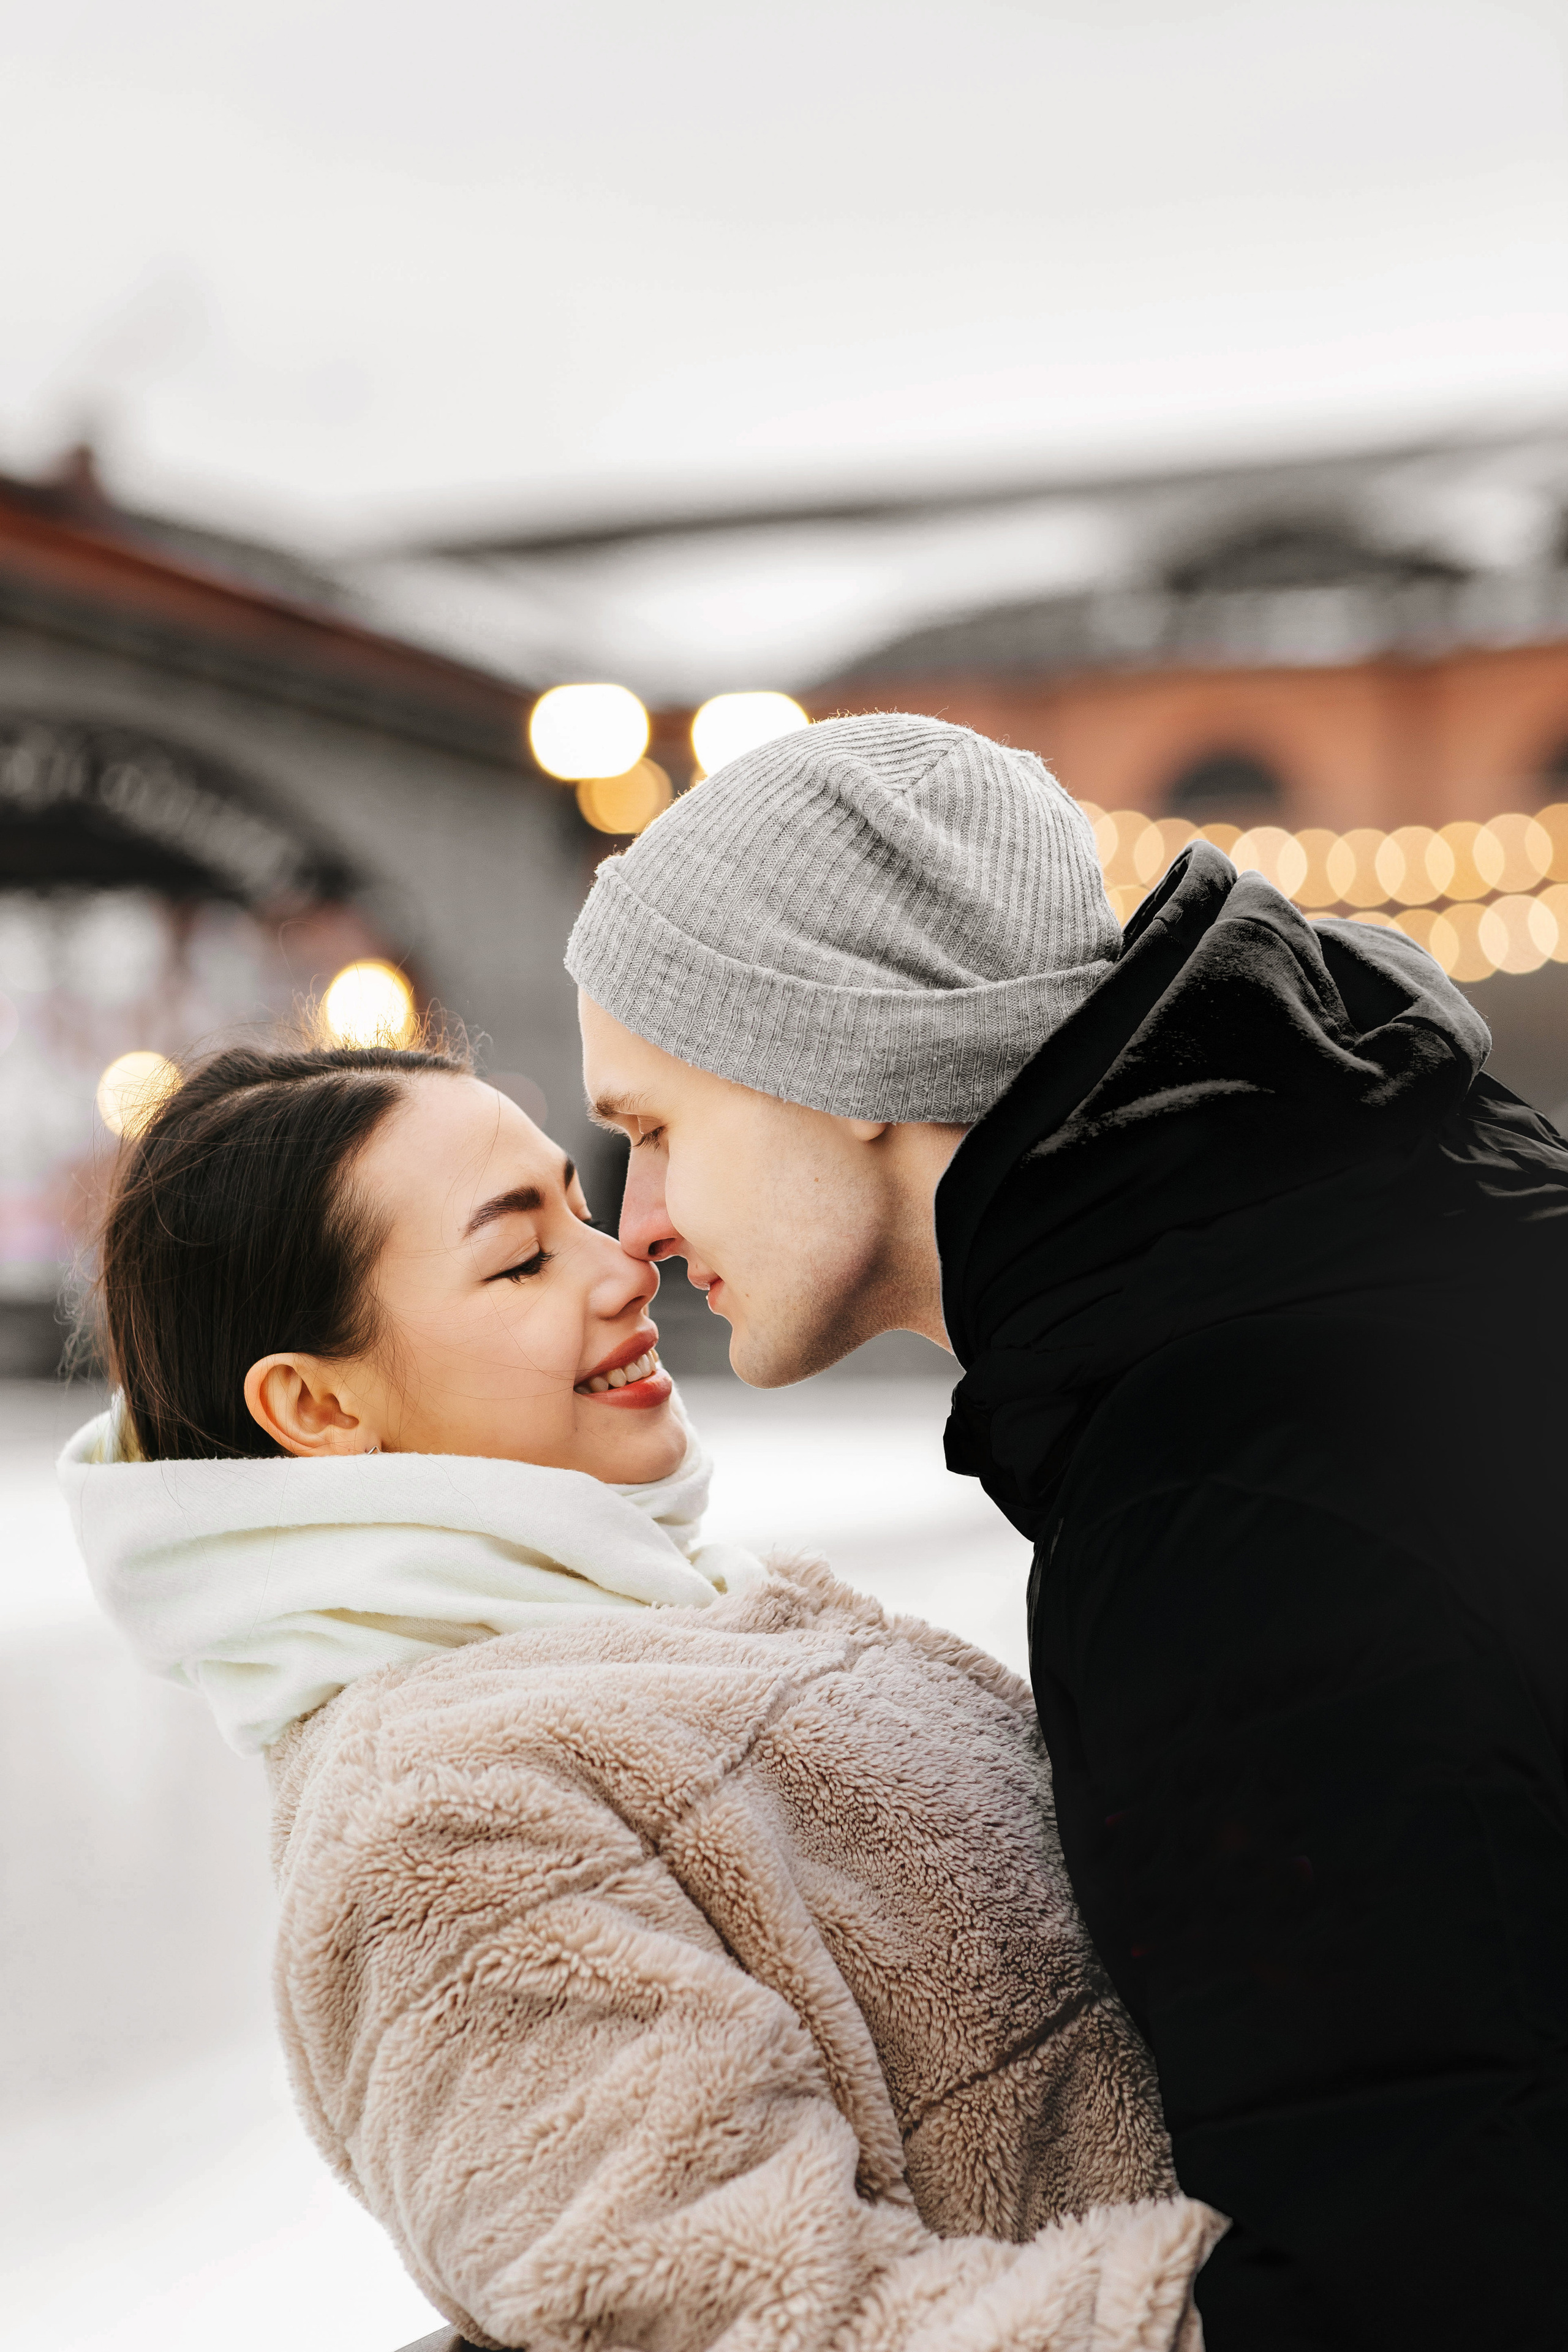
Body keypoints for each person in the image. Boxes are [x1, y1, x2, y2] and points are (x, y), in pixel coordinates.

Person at [569, 710, 1568, 2352]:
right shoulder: (1362, 1244)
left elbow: (1417, 2232)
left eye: (660, 1123)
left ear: (841, 1055)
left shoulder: (1222, 1485)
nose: (641, 1222)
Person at [61, 1035, 1218, 2352]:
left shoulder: (692, 1615)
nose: (627, 1264)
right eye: (519, 1257)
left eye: (580, 1206)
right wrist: (1320, 2300)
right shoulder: (443, 1826)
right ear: (318, 1408)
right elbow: (772, 2323)